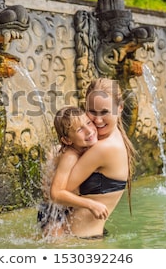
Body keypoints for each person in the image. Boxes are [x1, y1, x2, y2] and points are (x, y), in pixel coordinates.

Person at [50, 78, 136, 239]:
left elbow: (57, 193)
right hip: (86, 237)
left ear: (120, 108)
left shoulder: (103, 148)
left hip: (79, 241)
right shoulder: (112, 136)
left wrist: (64, 156)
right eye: (92, 112)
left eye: (104, 112)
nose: (97, 120)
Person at [37, 106, 109, 238]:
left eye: (88, 123)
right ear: (67, 140)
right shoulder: (70, 156)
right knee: (61, 248)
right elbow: (55, 194)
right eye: (80, 129)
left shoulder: (87, 148)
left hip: (69, 207)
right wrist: (91, 205)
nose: (89, 131)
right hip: (53, 212)